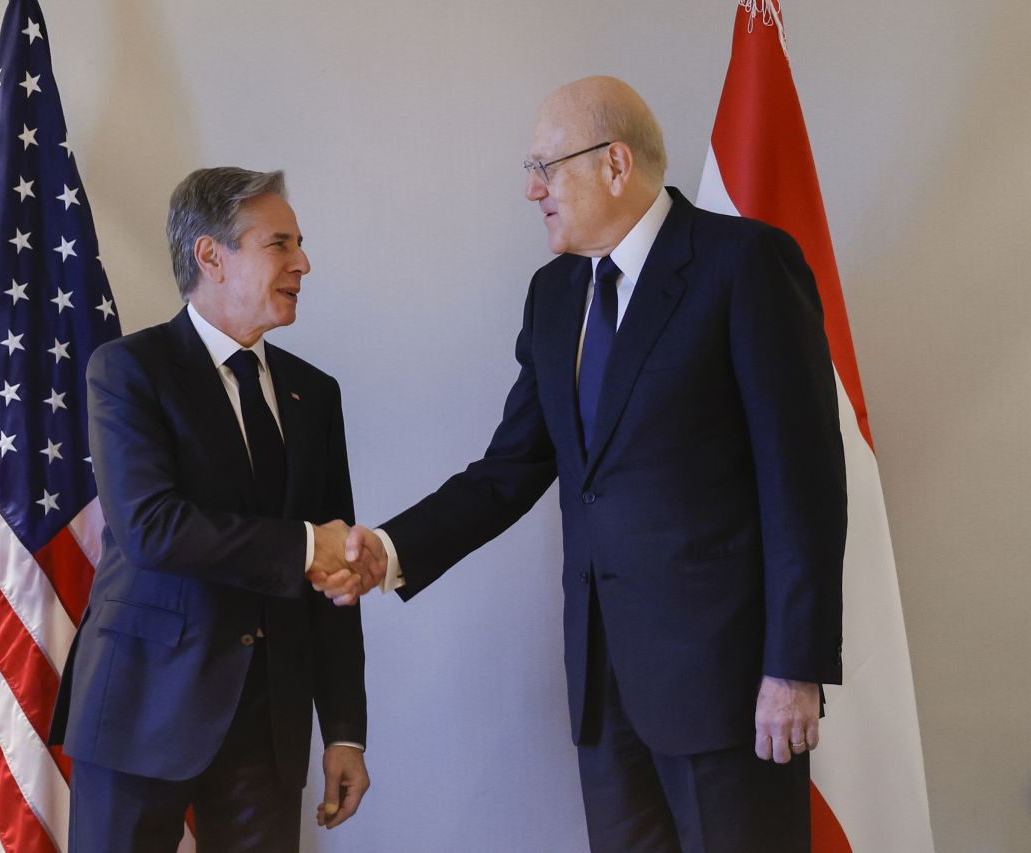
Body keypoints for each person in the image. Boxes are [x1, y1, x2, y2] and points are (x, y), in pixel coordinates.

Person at [330, 77, 847, 852]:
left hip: (730, 689)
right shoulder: (554, 294)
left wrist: (794, 666)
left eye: (546, 166)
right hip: (604, 695)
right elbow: (510, 468)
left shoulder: (744, 264)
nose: (530, 188)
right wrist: (393, 547)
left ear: (615, 164)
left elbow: (802, 480)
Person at [49, 167, 371, 852]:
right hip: (142, 708)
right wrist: (307, 548)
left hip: (270, 727)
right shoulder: (127, 370)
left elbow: (335, 573)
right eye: (279, 244)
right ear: (211, 256)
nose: (302, 262)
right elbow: (151, 528)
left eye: (299, 244)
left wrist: (344, 727)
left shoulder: (316, 394)